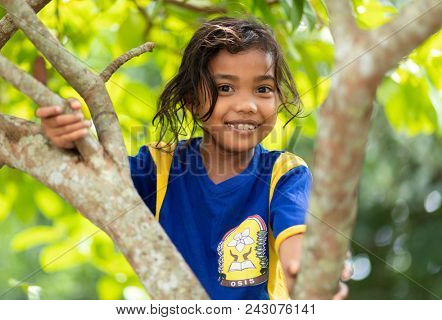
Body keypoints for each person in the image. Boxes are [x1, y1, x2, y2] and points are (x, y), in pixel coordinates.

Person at [36, 17, 350, 299]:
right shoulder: (158, 167)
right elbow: (94, 170)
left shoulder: (285, 174)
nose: (248, 105)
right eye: (225, 88)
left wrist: (311, 277)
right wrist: (68, 133)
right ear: (191, 100)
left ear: (279, 99)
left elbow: (299, 242)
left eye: (263, 89)